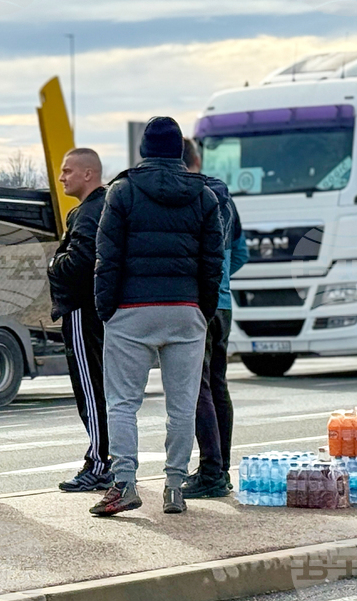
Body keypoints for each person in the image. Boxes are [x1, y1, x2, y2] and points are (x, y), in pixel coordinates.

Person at [91, 117, 223, 517]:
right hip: (185, 310)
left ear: (144, 150)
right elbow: (212, 262)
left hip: (132, 310)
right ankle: (174, 487)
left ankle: (125, 484)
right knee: (181, 406)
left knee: (122, 403)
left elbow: (106, 257)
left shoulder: (123, 191)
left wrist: (106, 311)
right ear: (181, 153)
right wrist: (203, 309)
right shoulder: (205, 196)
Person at [181, 138, 249, 499]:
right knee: (217, 385)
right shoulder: (225, 197)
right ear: (197, 159)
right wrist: (222, 277)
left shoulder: (190, 197)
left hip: (197, 302)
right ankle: (219, 468)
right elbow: (241, 253)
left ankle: (210, 472)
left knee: (197, 388)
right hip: (224, 304)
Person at [48, 148, 112, 492]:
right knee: (107, 388)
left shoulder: (86, 213)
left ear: (89, 174)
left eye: (67, 171)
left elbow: (80, 262)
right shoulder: (110, 206)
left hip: (81, 310)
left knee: (90, 388)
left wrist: (53, 266)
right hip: (104, 308)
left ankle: (100, 464)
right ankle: (108, 457)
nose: (61, 178)